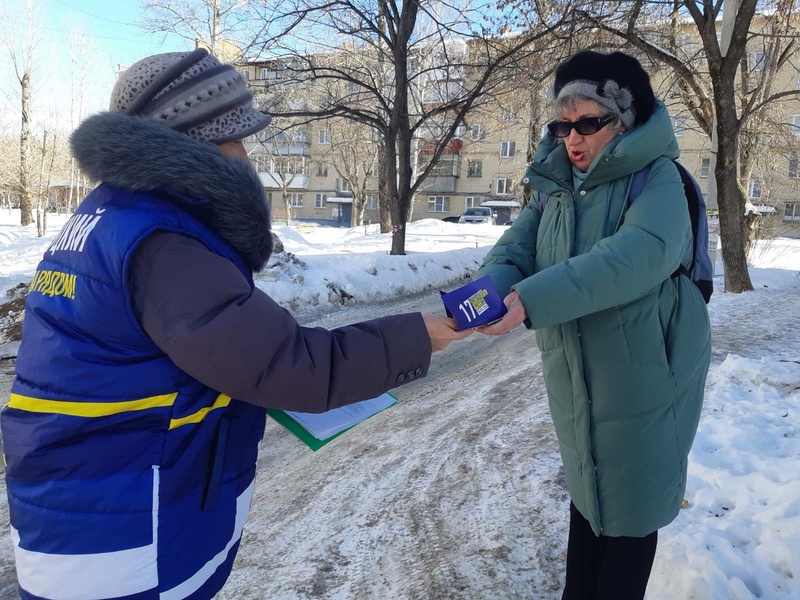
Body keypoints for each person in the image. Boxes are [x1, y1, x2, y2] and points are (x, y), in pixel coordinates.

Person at [0, 47, 469, 600]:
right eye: (236, 138)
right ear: (193, 144)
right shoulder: (164, 244)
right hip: (126, 535)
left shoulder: (111, 215)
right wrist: (429, 332)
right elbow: (291, 367)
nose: (245, 154)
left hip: (90, 512)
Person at [474, 50, 711, 599]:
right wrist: (487, 293)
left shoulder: (659, 180)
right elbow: (515, 246)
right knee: (590, 500)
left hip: (649, 375)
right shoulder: (557, 188)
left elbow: (633, 258)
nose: (572, 138)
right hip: (578, 375)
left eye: (589, 122)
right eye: (562, 124)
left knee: (631, 514)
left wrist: (529, 300)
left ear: (624, 120)